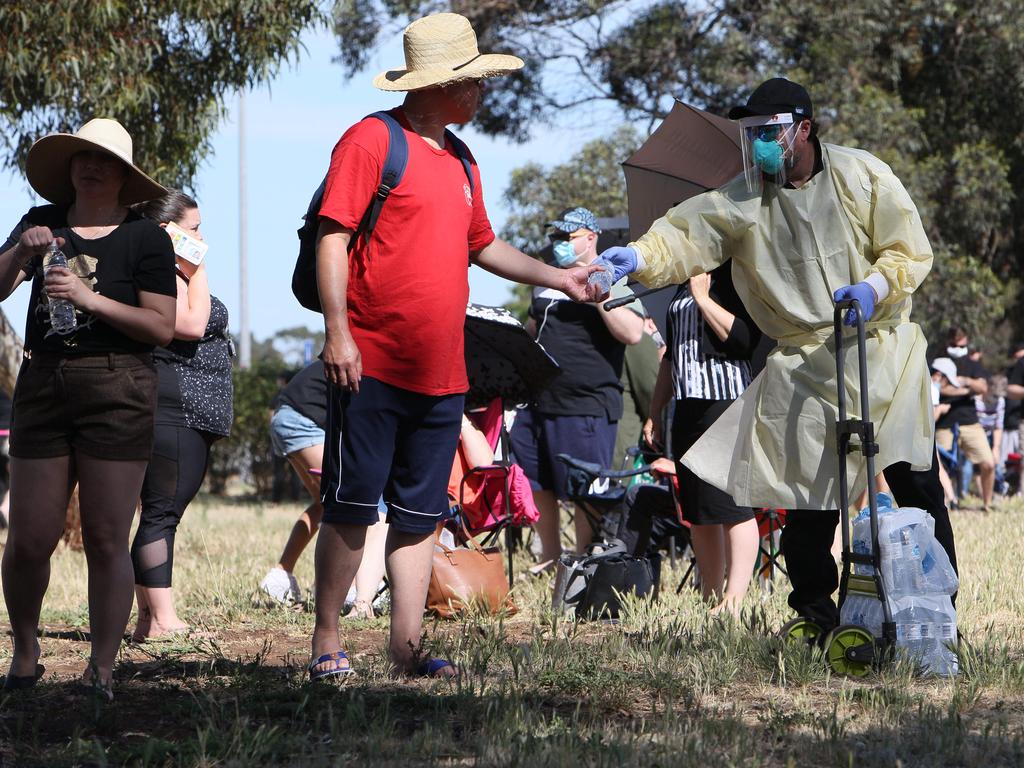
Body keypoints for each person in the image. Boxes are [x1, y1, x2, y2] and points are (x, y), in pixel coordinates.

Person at [595, 78, 958, 633]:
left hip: (883, 354)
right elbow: (688, 232)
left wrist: (875, 290)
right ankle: (816, 615)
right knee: (808, 501)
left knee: (916, 486)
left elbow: (908, 249)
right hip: (807, 366)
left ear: (803, 129)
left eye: (768, 133)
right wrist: (639, 257)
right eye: (751, 135)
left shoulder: (863, 174)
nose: (758, 145)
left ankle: (937, 612)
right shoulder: (743, 198)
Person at [309, 12, 602, 680]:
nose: (479, 93)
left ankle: (406, 650)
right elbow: (332, 234)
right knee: (353, 506)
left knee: (419, 514)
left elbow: (483, 245)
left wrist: (559, 275)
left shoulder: (464, 160)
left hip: (444, 375)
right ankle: (328, 641)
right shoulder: (371, 141)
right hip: (369, 365)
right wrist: (337, 335)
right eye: (470, 83)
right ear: (436, 84)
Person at [0, 119, 176, 696]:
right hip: (43, 381)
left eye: (103, 160)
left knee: (105, 536)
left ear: (124, 175)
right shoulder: (39, 223)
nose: (90, 167)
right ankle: (25, 654)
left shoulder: (146, 237)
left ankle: (101, 670)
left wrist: (88, 298)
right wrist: (16, 256)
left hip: (118, 385)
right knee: (29, 537)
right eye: (81, 158)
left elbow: (160, 327)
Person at [509, 207, 644, 567]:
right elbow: (533, 328)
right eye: (556, 238)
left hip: (585, 403)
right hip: (537, 400)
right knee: (536, 481)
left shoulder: (616, 277)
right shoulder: (547, 278)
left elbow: (632, 333)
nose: (559, 245)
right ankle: (552, 558)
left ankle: (585, 561)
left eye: (567, 238)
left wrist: (598, 293)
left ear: (591, 237)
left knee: (585, 489)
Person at [129, 191, 234, 641]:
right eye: (192, 229)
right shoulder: (165, 273)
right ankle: (164, 619)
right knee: (162, 513)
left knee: (158, 511)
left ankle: (148, 618)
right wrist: (197, 267)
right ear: (166, 232)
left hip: (188, 409)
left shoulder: (169, 273)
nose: (200, 237)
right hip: (176, 407)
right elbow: (189, 324)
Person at [642, 265, 762, 616]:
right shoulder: (680, 284)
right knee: (699, 510)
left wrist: (703, 299)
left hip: (725, 402)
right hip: (687, 407)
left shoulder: (735, 278)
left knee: (732, 506)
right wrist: (655, 409)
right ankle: (710, 596)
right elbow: (671, 354)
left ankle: (735, 599)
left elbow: (743, 339)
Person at [261, 361, 388, 618]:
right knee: (349, 504)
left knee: (325, 504)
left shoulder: (356, 349)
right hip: (302, 421)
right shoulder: (369, 360)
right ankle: (345, 588)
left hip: (288, 417)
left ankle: (280, 576)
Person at [936, 326, 994, 509]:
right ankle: (945, 504)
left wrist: (967, 381)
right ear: (948, 343)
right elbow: (939, 387)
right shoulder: (939, 363)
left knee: (988, 464)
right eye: (954, 344)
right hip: (944, 423)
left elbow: (983, 387)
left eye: (961, 344)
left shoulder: (973, 364)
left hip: (970, 422)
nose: (958, 348)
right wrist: (968, 390)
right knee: (938, 468)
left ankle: (987, 503)